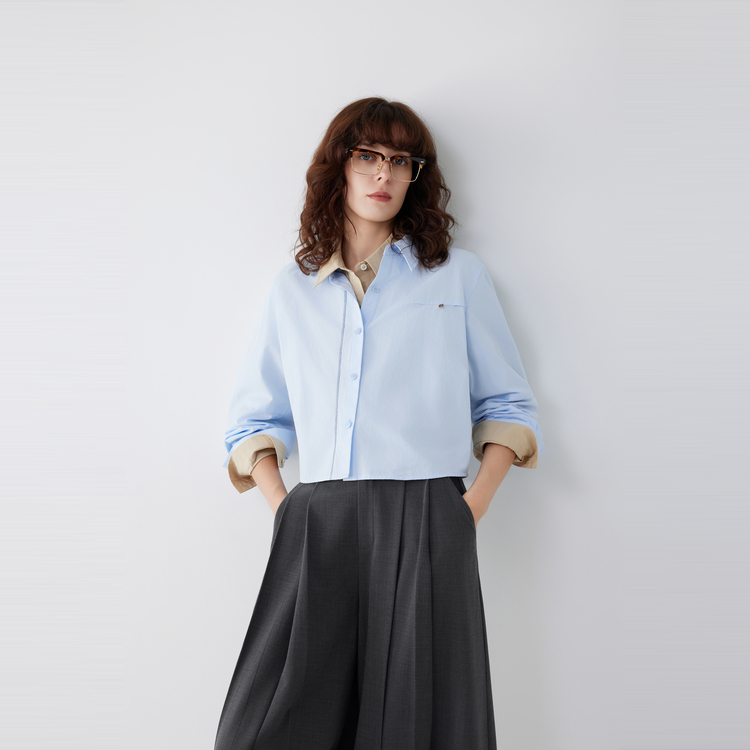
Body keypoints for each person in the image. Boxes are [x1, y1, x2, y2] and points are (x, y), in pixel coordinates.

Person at [214, 97, 544, 750]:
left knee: (416, 725)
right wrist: (287, 508)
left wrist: (465, 511)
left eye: (401, 161)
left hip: (427, 516)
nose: (383, 173)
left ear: (416, 176)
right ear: (339, 166)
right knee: (263, 727)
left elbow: (507, 406)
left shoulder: (456, 277)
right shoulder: (294, 288)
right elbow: (254, 418)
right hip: (318, 520)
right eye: (368, 156)